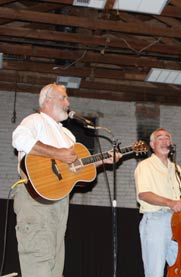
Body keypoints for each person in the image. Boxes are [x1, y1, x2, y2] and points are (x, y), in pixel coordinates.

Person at [12, 83, 121, 277]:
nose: (68, 102)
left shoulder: (67, 134)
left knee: (55, 263)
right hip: (35, 199)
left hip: (60, 202)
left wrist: (104, 159)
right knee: (38, 259)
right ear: (48, 100)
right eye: (63, 97)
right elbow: (19, 139)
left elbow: (76, 168)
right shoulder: (35, 120)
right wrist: (57, 153)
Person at [134, 128, 181, 277]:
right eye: (160, 138)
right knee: (155, 273)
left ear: (171, 144)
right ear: (152, 145)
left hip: (177, 223)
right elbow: (144, 194)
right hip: (155, 221)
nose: (165, 141)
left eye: (167, 138)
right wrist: (170, 203)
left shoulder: (176, 169)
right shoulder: (145, 166)